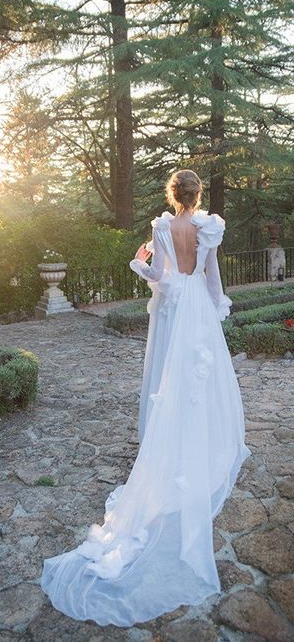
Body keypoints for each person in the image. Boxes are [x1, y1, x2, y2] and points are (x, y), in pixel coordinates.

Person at [40, 169, 251, 627]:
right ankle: (204, 437)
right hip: (197, 305)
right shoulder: (208, 228)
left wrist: (139, 262)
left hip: (174, 304)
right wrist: (219, 311)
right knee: (203, 379)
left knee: (170, 375)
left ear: (172, 196)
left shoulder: (161, 227)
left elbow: (158, 272)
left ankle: (168, 433)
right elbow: (211, 276)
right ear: (197, 197)